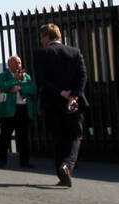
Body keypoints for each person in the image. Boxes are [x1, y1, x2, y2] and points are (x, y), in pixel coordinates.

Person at [32, 24, 88, 188]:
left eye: (41, 37)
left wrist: (60, 92)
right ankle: (68, 165)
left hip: (53, 101)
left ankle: (61, 173)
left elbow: (42, 81)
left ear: (46, 36)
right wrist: (74, 95)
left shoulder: (41, 54)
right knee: (75, 135)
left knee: (57, 137)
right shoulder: (75, 52)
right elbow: (82, 76)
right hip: (73, 101)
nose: (41, 40)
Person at [0, 55, 37, 169]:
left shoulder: (26, 76)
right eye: (16, 63)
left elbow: (32, 89)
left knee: (23, 137)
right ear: (9, 65)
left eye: (20, 63)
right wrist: (15, 80)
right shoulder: (3, 76)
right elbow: (2, 87)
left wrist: (20, 88)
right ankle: (2, 160)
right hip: (9, 110)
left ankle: (25, 161)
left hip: (23, 108)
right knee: (5, 136)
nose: (19, 65)